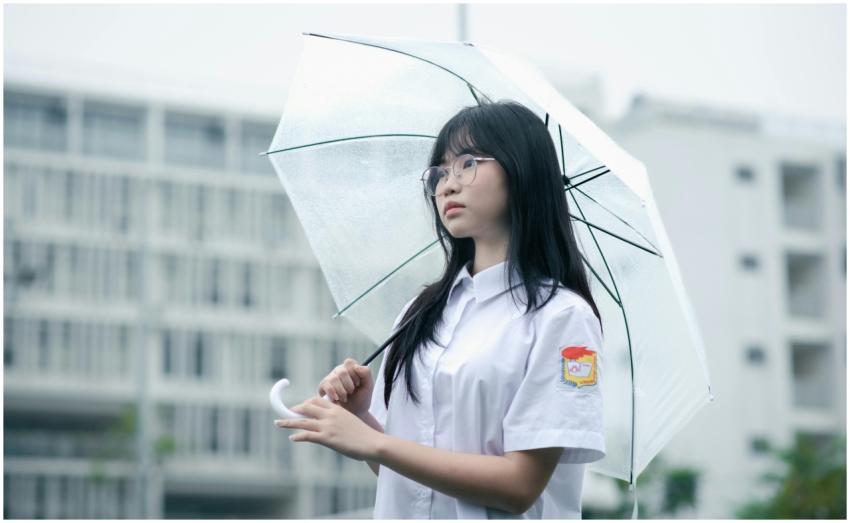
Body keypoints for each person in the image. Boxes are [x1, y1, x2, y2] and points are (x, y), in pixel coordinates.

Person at [275, 99, 605, 519]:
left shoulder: (562, 318)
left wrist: (375, 442)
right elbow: (404, 478)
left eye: (467, 164)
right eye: (440, 172)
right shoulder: (422, 311)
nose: (447, 185)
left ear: (521, 171)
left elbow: (520, 486)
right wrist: (362, 420)